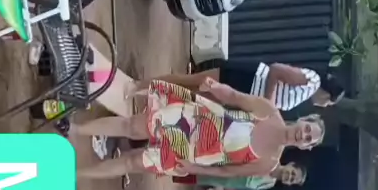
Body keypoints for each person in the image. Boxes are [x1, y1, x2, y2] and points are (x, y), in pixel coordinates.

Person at [71, 78, 325, 181]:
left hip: (194, 154)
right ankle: (75, 130)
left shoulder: (268, 163)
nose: (303, 134)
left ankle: (75, 175)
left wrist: (193, 169)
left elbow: (226, 171)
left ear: (306, 147)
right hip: (194, 118)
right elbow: (235, 97)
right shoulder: (269, 111)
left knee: (134, 162)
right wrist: (217, 88)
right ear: (303, 120)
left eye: (308, 139)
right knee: (134, 126)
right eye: (307, 129)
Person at [129, 64, 345, 111]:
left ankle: (146, 96)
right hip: (246, 79)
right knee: (190, 82)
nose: (325, 106)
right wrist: (268, 103)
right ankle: (139, 86)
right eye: (329, 102)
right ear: (327, 94)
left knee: (190, 97)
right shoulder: (311, 81)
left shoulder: (307, 93)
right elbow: (276, 70)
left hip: (242, 95)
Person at [180, 160, 308, 190]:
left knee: (182, 176)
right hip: (222, 164)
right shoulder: (272, 158)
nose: (289, 176)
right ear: (290, 164)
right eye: (292, 173)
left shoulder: (269, 184)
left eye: (292, 180)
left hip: (219, 180)